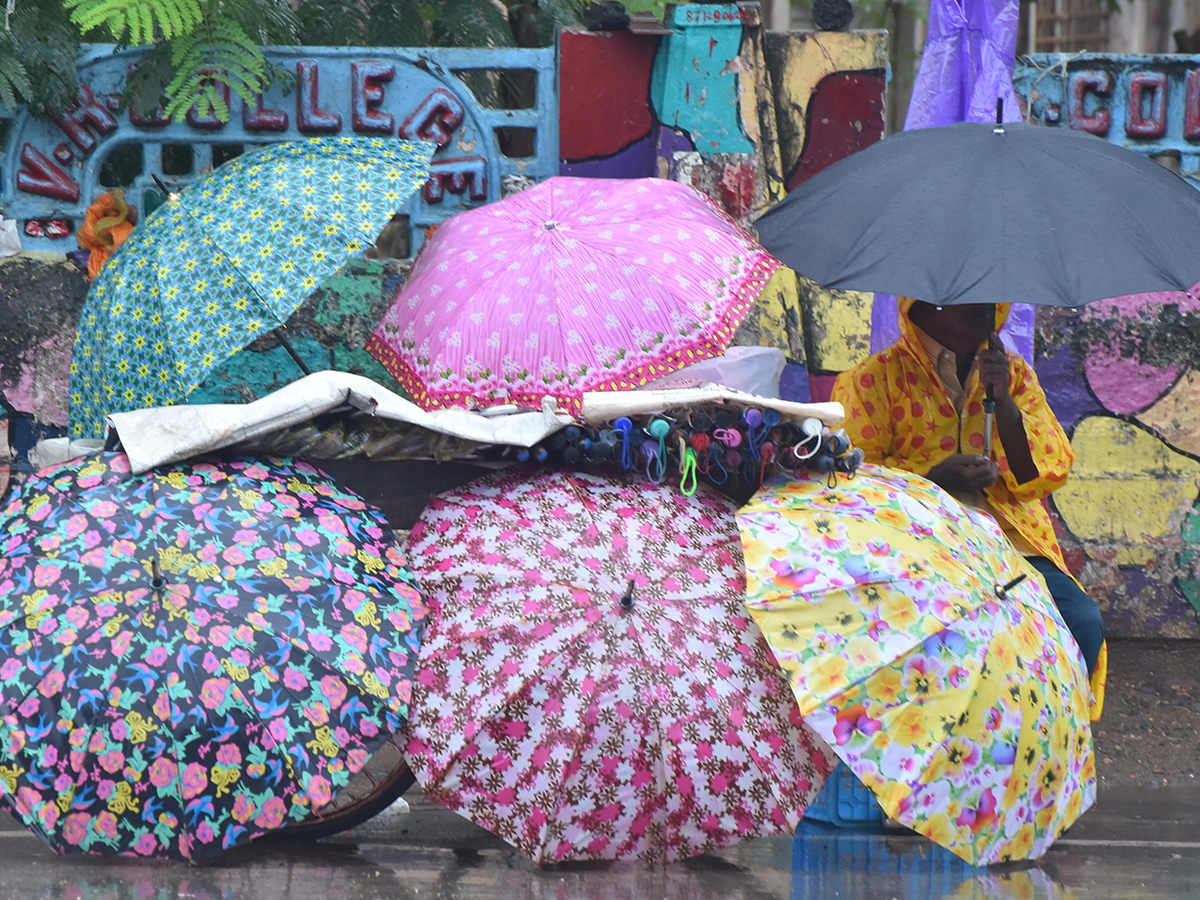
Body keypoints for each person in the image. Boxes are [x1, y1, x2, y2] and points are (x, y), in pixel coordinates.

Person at [831, 298, 1106, 690]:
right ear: (924, 305)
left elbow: (1044, 472)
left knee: (1080, 619)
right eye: (968, 296)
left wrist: (1006, 404)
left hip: (1008, 544)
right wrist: (931, 477)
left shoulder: (1014, 376)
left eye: (990, 294)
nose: (987, 305)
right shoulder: (873, 380)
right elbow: (851, 481)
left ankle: (1056, 738)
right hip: (917, 545)